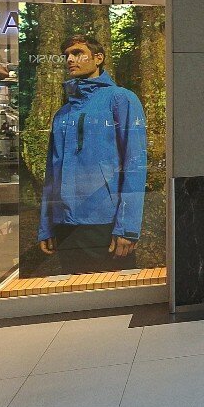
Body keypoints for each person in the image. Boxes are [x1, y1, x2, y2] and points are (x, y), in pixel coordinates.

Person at [38, 35, 148, 274]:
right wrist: (47, 225)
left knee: (114, 292)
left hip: (104, 223)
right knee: (76, 292)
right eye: (67, 55)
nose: (70, 59)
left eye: (77, 53)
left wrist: (127, 227)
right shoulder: (63, 113)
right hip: (64, 224)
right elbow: (52, 172)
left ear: (98, 58)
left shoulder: (121, 99)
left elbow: (135, 164)